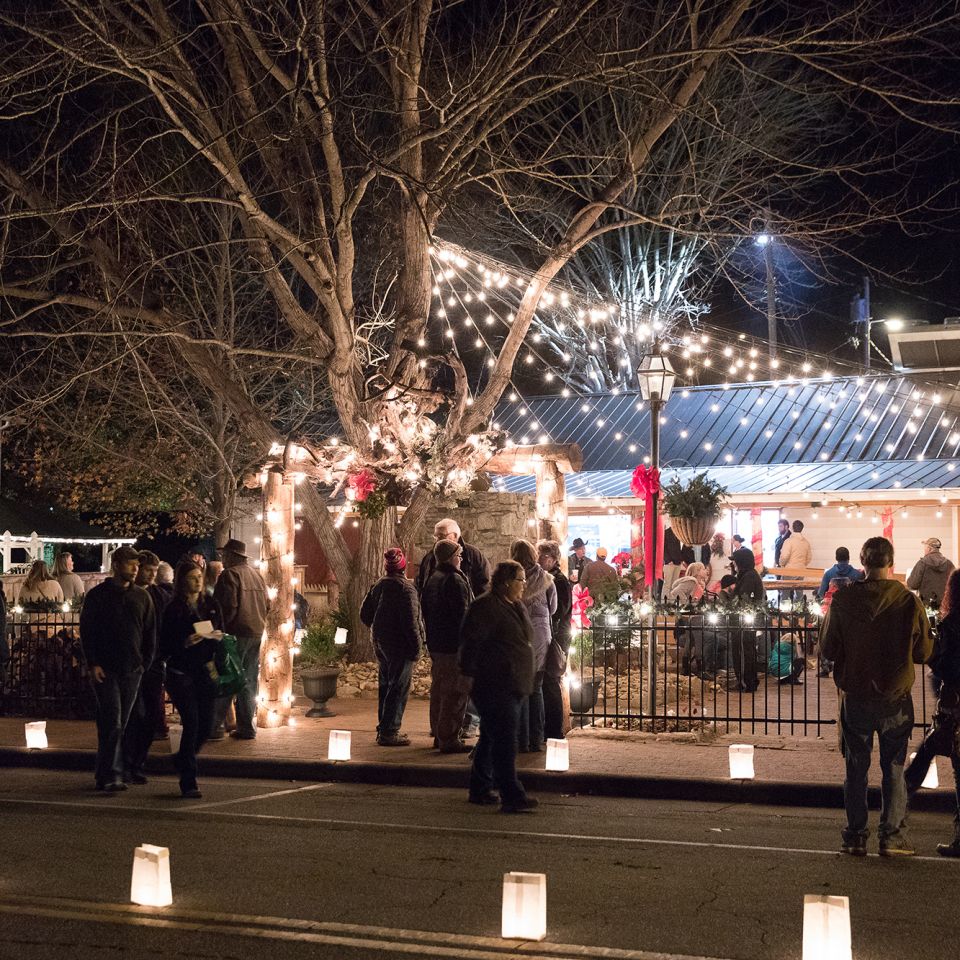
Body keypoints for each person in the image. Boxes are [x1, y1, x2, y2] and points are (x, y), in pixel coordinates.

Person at [820, 536, 932, 857]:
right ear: (890, 561)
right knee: (894, 768)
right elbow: (924, 650)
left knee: (856, 767)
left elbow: (828, 647)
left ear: (863, 562)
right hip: (895, 695)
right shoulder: (908, 601)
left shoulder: (844, 600)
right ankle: (892, 835)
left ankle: (855, 835)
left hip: (856, 693)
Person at [459, 560, 538, 813]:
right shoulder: (485, 607)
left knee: (492, 737)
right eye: (520, 580)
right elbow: (471, 643)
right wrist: (469, 674)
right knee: (505, 740)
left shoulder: (514, 605)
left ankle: (480, 787)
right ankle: (511, 793)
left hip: (513, 681)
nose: (524, 585)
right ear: (506, 582)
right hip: (495, 683)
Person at [79, 545, 156, 792]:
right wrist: (93, 662)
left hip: (131, 668)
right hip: (106, 667)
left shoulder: (142, 597)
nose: (135, 569)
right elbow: (87, 631)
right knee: (113, 718)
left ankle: (107, 772)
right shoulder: (98, 596)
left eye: (137, 565)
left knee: (119, 722)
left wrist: (144, 662)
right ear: (116, 565)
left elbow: (149, 632)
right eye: (130, 564)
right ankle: (112, 773)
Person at [906, 568, 960, 855]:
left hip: (955, 703)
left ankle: (899, 802)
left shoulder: (952, 624)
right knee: (930, 750)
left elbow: (941, 662)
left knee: (938, 753)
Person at [160, 561, 224, 799]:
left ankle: (181, 759)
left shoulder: (211, 605)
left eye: (200, 577)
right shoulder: (174, 609)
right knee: (192, 722)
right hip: (181, 672)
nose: (198, 582)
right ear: (181, 581)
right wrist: (184, 643)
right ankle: (188, 779)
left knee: (207, 724)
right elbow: (164, 643)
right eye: (192, 578)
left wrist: (217, 637)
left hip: (205, 670)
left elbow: (222, 629)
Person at [360, 547, 425, 746]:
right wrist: (417, 648)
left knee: (386, 685)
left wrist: (379, 627)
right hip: (400, 645)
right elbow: (411, 623)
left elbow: (364, 614)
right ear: (403, 567)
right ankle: (390, 731)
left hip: (380, 642)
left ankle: (384, 727)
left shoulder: (379, 585)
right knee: (398, 687)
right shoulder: (406, 589)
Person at [122, 551, 173, 780]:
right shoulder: (127, 594)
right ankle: (127, 762)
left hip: (153, 662)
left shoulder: (159, 596)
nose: (152, 575)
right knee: (134, 715)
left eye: (154, 571)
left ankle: (138, 761)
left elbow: (167, 625)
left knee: (151, 715)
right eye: (148, 570)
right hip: (131, 662)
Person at [212, 539, 269, 740]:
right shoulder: (257, 576)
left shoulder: (230, 575)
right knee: (248, 680)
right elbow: (267, 605)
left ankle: (214, 726)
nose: (222, 559)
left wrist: (218, 631)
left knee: (228, 678)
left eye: (224, 555)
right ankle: (246, 727)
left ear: (231, 556)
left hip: (235, 634)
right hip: (255, 632)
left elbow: (227, 608)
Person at [420, 539, 473, 753]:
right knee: (455, 692)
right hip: (453, 645)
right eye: (458, 556)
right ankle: (449, 738)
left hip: (437, 644)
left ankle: (439, 733)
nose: (460, 559)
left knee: (439, 690)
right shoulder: (453, 580)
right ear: (451, 557)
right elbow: (462, 615)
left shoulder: (433, 578)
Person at [510, 539, 557, 753]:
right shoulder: (547, 579)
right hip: (540, 637)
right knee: (536, 689)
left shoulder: (511, 579)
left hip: (518, 637)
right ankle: (536, 739)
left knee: (520, 689)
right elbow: (554, 608)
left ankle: (521, 739)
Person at [537, 540, 572, 741]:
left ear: (552, 559)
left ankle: (554, 729)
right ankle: (549, 727)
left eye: (542, 556)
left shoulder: (558, 581)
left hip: (557, 638)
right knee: (547, 683)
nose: (539, 560)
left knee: (551, 683)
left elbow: (559, 610)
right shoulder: (549, 578)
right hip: (553, 635)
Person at [415, 519, 491, 599]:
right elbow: (421, 584)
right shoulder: (429, 557)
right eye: (436, 536)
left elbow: (484, 585)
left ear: (455, 536)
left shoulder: (472, 555)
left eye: (441, 536)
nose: (437, 540)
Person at [730, 547, 765, 692]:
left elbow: (743, 599)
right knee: (745, 650)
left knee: (744, 651)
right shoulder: (746, 575)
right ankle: (747, 680)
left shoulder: (749, 576)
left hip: (743, 622)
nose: (734, 565)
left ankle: (745, 682)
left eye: (735, 562)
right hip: (743, 621)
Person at [907, 537, 955, 607]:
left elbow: (912, 584)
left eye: (925, 548)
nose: (924, 550)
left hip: (927, 605)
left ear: (929, 549)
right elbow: (955, 584)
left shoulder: (922, 563)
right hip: (945, 606)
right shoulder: (949, 564)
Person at [661, 525, 685, 598]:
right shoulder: (666, 532)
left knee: (674, 584)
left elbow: (678, 548)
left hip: (677, 562)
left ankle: (671, 602)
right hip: (669, 563)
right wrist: (668, 560)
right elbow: (663, 548)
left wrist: (681, 559)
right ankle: (664, 603)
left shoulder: (678, 533)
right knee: (667, 584)